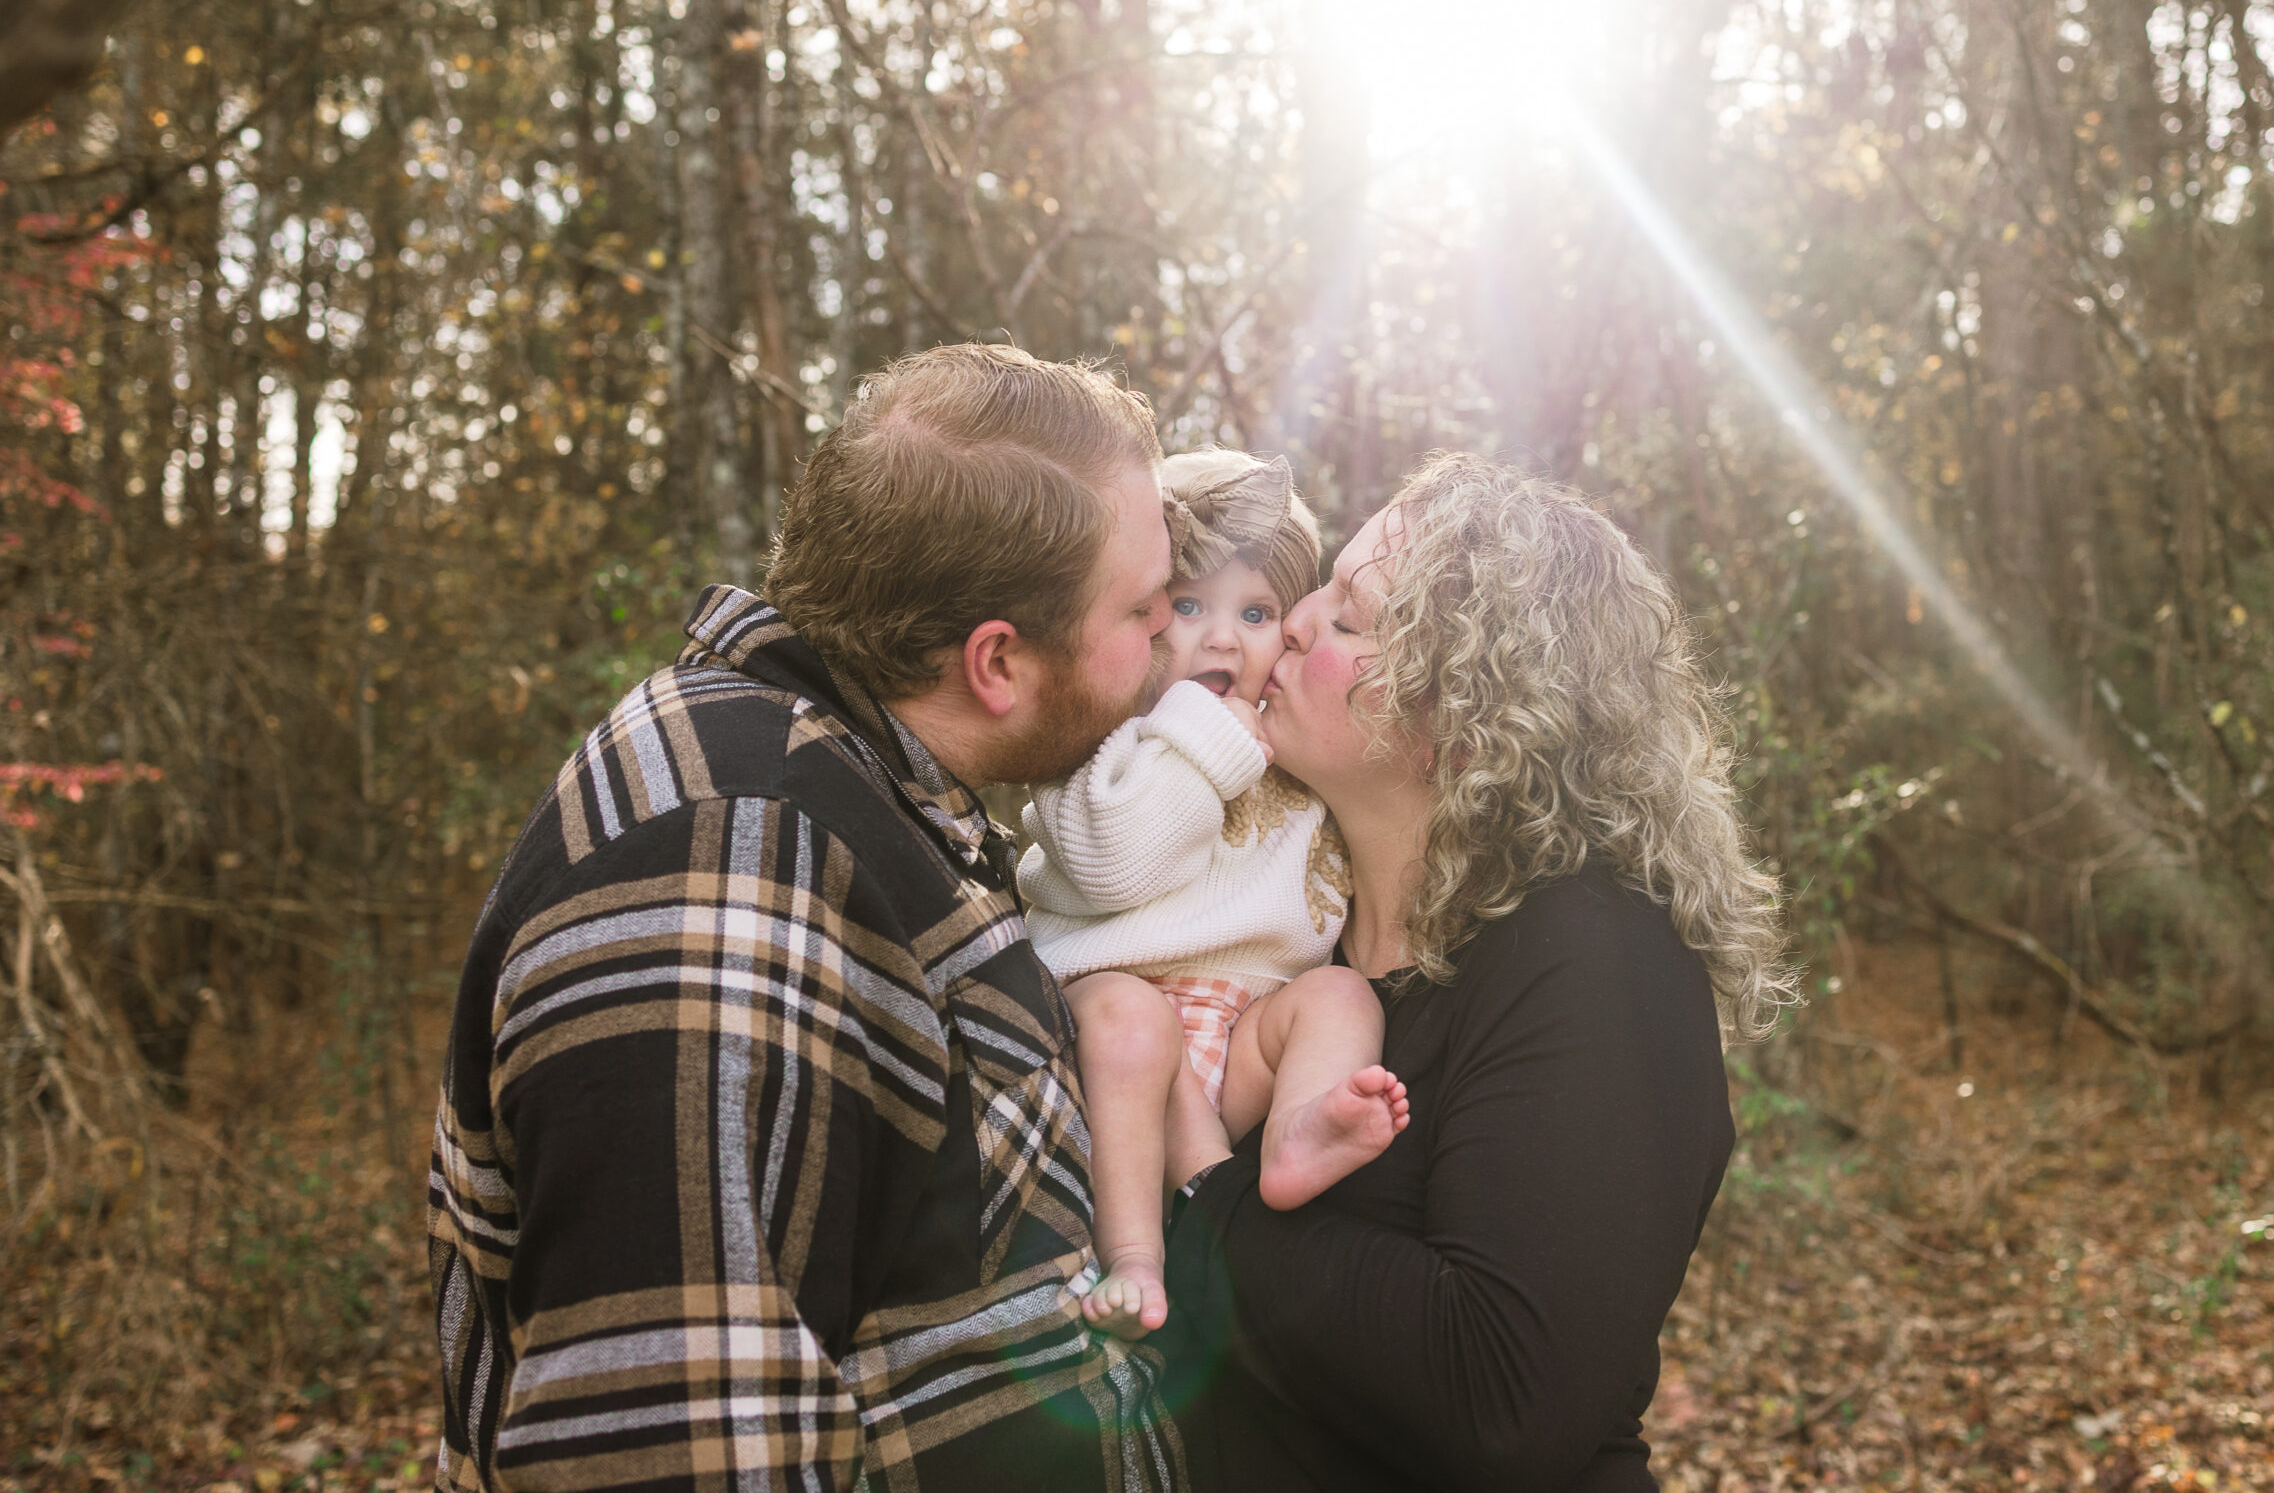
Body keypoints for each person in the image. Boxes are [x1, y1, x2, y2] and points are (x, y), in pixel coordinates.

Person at [425, 345, 1192, 1492]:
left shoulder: (861, 791)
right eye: (1141, 610)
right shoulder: (730, 862)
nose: (1171, 642)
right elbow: (671, 1445)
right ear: (998, 662)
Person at [1160, 452, 1794, 1492]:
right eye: (1322, 586)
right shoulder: (1280, 934)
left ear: (1463, 723)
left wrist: (1199, 1191)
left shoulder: (1595, 957)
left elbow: (1501, 1402)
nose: (1301, 621)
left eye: (1354, 619)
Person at [1018, 449, 1408, 1342]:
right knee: (1127, 1016)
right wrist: (1199, 733)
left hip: (1239, 1047)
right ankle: (1135, 1256)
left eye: (1259, 612)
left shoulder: (1298, 762)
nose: (1224, 639)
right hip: (1108, 1037)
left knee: (1341, 996)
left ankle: (1298, 1136)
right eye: (1190, 606)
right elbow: (1115, 862)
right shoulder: (1112, 739)